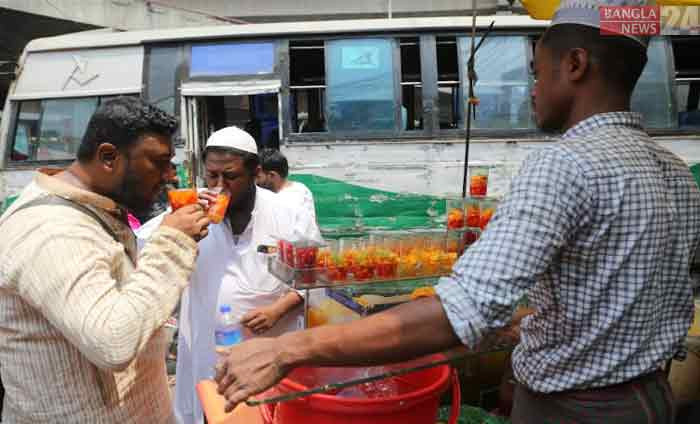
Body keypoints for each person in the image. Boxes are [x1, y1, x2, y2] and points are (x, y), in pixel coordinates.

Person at [214, 2, 700, 423]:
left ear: (575, 65)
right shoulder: (675, 172)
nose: (531, 89)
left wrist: (287, 349)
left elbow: (460, 313)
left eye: (536, 72)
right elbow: (626, 289)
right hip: (651, 399)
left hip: (571, 412)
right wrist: (531, 323)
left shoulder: (565, 165)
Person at [0, 97, 210, 423]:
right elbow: (113, 342)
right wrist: (173, 243)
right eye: (158, 162)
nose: (170, 176)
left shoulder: (94, 209)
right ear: (109, 157)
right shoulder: (51, 232)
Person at [136, 126, 317, 424]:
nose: (220, 186)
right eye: (212, 176)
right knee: (212, 414)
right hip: (209, 351)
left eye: (230, 177)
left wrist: (278, 309)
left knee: (272, 415)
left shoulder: (287, 212)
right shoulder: (192, 212)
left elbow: (315, 277)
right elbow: (142, 249)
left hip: (271, 348)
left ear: (256, 172)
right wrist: (176, 227)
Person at [256, 148, 318, 225]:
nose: (256, 181)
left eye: (258, 177)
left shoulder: (294, 195)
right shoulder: (302, 189)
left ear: (272, 175)